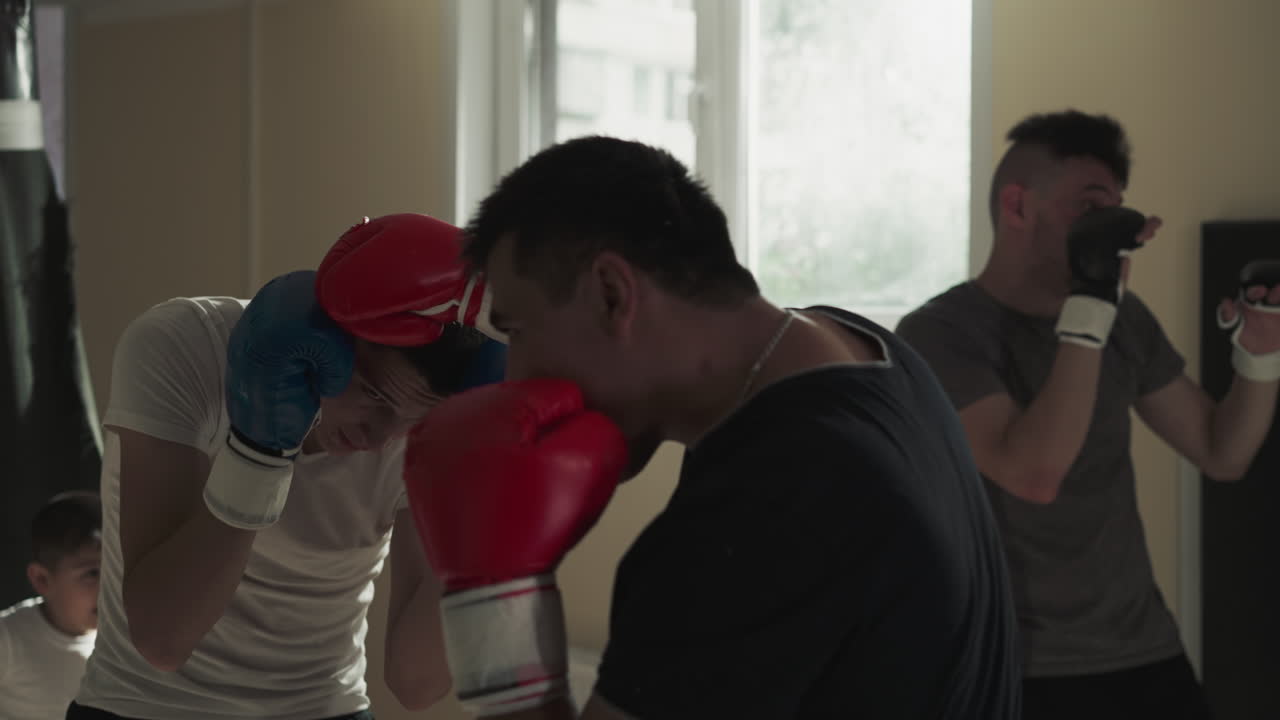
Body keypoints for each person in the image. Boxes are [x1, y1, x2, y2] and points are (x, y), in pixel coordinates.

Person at [365, 135, 1022, 719]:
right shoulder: (871, 355)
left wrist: (497, 597)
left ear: (611, 294)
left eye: (517, 330)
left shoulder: (757, 509)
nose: (516, 379)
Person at [896, 110, 1280, 720]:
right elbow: (1032, 472)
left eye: (1118, 211)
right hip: (1018, 667)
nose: (1115, 230)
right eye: (1090, 208)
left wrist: (1261, 351)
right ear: (1018, 207)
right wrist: (1093, 303)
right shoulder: (940, 334)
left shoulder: (1121, 321)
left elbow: (1222, 452)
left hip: (1143, 651)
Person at [70, 214, 507, 720]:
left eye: (414, 421)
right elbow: (162, 640)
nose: (379, 439)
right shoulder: (187, 346)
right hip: (141, 708)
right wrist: (259, 450)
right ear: (329, 337)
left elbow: (416, 684)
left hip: (323, 708)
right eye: (374, 394)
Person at [0, 491, 101, 720]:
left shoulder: (121, 640)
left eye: (117, 572)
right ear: (42, 580)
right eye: (92, 573)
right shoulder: (8, 638)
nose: (109, 588)